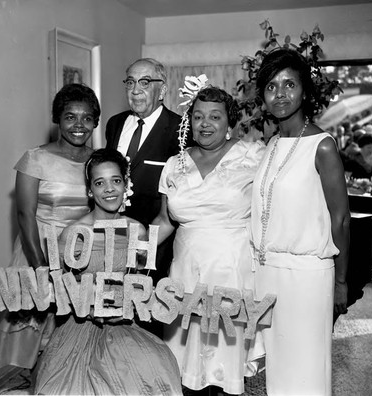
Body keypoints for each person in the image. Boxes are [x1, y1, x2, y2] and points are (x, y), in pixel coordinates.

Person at [33, 148, 182, 395]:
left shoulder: (138, 231)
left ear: (126, 185)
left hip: (122, 326)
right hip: (79, 327)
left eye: (116, 180)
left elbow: (138, 285)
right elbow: (56, 290)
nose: (109, 189)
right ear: (90, 190)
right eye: (100, 183)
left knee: (153, 372)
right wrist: (87, 306)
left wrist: (128, 306)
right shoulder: (73, 233)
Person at [152, 85, 266, 395]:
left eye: (215, 117)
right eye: (198, 116)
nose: (205, 123)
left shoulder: (254, 155)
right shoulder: (175, 163)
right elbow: (165, 221)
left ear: (230, 125)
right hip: (185, 274)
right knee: (184, 368)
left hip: (232, 272)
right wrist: (128, 248)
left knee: (224, 368)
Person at [251, 48, 350, 396]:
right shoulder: (272, 143)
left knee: (306, 371)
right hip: (269, 272)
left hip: (307, 276)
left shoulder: (322, 146)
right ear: (263, 96)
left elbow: (340, 219)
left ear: (304, 91)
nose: (280, 94)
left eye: (289, 84)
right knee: (278, 374)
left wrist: (341, 282)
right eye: (271, 87)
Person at [0, 83, 99, 369]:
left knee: (73, 343)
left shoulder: (98, 161)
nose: (79, 125)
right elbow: (25, 215)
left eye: (87, 117)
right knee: (38, 343)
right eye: (70, 116)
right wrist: (43, 270)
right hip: (37, 253)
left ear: (95, 122)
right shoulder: (35, 158)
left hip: (80, 259)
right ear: (57, 120)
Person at [105, 58, 181, 283]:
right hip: (114, 239)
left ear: (162, 90)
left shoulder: (179, 130)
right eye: (130, 83)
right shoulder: (115, 124)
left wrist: (146, 245)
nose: (135, 90)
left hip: (157, 245)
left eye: (145, 82)